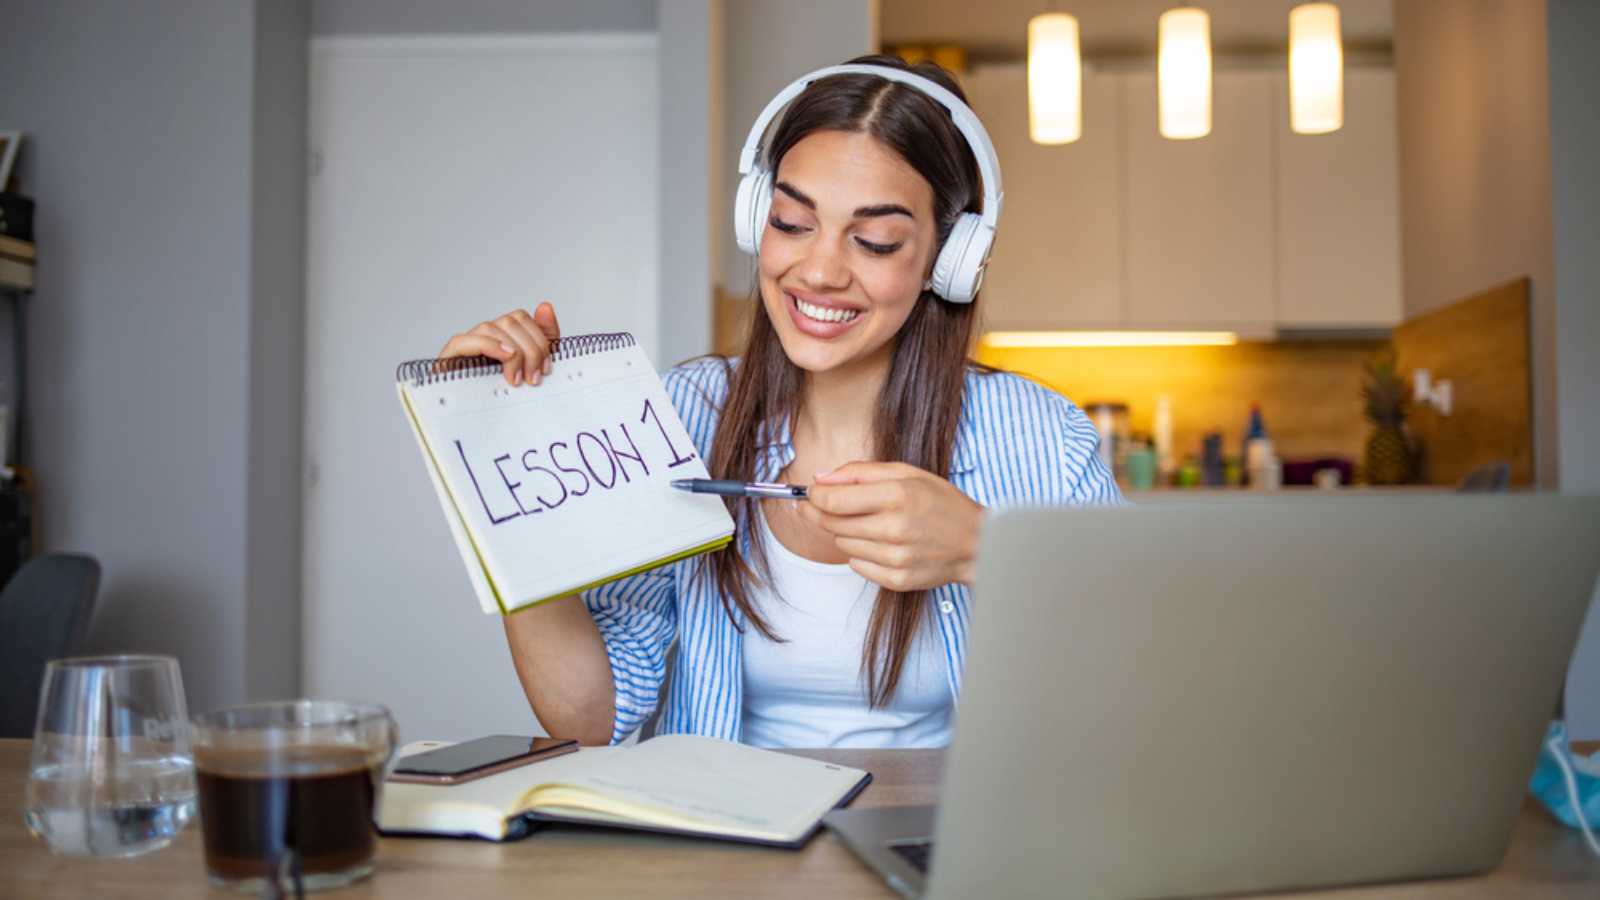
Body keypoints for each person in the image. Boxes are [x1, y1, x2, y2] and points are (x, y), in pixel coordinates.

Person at [432, 55, 1120, 749]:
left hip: (947, 849)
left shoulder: (1043, 438)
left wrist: (986, 552)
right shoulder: (681, 414)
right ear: (755, 220)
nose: (819, 271)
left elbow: (1139, 687)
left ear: (951, 259)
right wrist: (500, 470)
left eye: (876, 241)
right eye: (792, 223)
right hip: (729, 845)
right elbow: (592, 717)